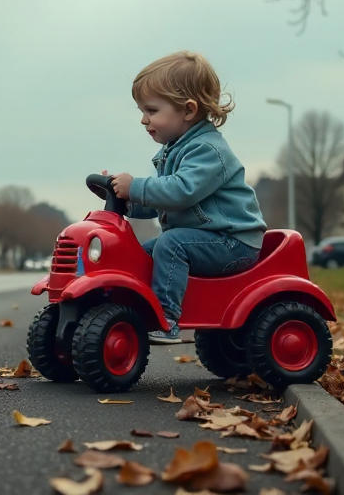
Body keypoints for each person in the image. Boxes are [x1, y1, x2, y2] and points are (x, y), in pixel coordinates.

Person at [103, 51, 266, 345]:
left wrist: (135, 186)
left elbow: (180, 192)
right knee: (140, 254)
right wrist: (123, 198)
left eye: (151, 110)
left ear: (188, 110)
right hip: (206, 238)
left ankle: (165, 320)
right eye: (142, 110)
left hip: (232, 242)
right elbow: (164, 202)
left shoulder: (207, 150)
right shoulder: (175, 149)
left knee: (171, 244)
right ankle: (128, 312)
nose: (143, 119)